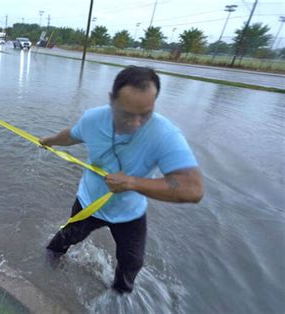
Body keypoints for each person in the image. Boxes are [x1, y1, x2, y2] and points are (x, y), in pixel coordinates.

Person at [39, 66, 204, 294]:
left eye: (145, 114)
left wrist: (132, 183)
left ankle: (118, 297)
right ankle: (45, 276)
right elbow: (72, 135)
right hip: (89, 203)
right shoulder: (93, 119)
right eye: (126, 114)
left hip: (130, 212)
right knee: (61, 243)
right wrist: (49, 140)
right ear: (111, 100)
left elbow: (193, 188)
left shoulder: (164, 134)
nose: (136, 123)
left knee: (132, 263)